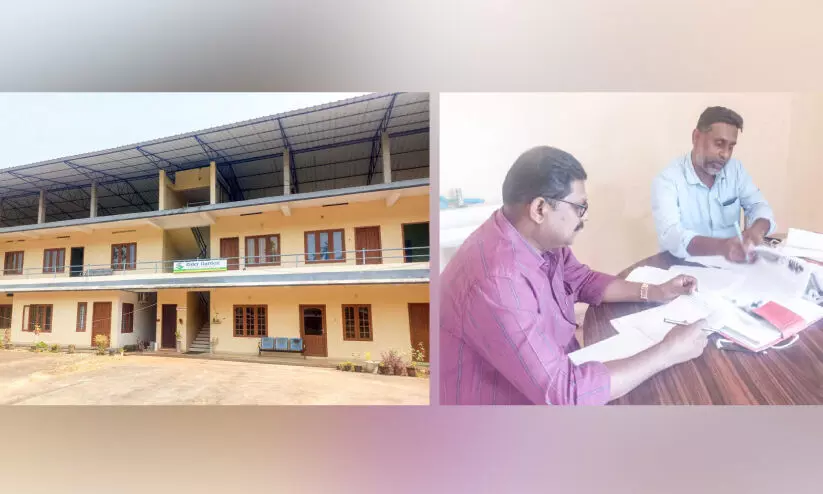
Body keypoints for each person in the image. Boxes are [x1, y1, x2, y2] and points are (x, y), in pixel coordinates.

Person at [439, 146, 709, 406]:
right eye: (579, 207)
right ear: (540, 209)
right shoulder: (498, 281)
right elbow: (564, 394)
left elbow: (582, 281)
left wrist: (656, 291)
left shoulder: (535, 239)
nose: (585, 217)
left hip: (555, 370)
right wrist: (668, 352)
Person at [651, 106, 776, 262]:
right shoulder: (668, 179)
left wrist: (756, 231)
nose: (725, 154)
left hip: (733, 266)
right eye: (719, 144)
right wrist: (721, 247)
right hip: (686, 267)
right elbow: (671, 235)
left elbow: (758, 205)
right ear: (696, 137)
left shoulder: (735, 170)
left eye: (731, 147)